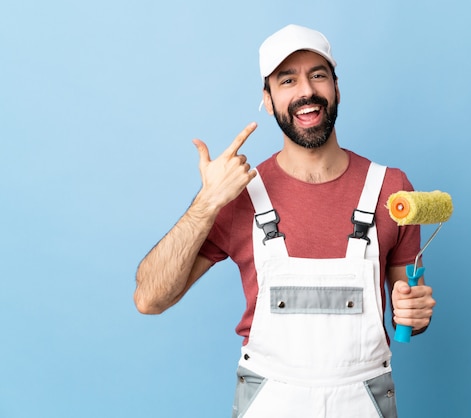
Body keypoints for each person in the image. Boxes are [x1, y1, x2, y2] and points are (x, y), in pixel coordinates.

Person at [134, 24, 436, 418]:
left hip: (364, 401)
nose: (306, 91)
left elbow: (407, 312)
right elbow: (149, 299)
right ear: (268, 98)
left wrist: (415, 314)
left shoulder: (391, 190)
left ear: (336, 88)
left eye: (317, 75)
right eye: (287, 79)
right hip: (269, 401)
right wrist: (206, 203)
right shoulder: (239, 193)